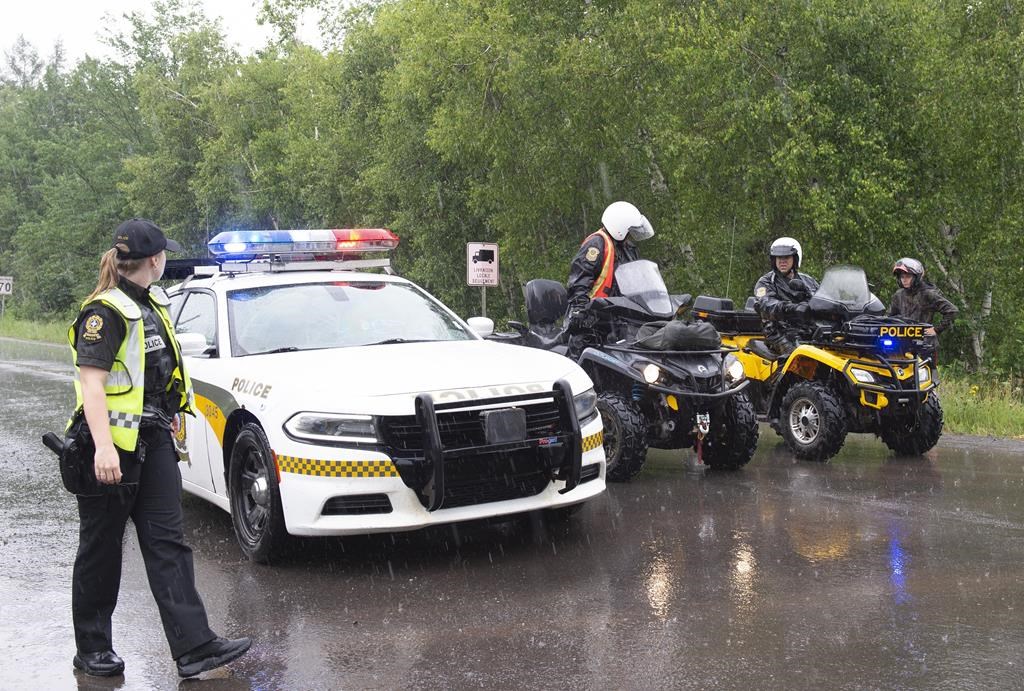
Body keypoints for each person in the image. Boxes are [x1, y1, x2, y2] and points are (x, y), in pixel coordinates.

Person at [68, 218, 251, 678]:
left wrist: (168, 411)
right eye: (164, 253)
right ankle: (92, 650)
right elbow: (92, 383)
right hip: (109, 450)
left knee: (168, 544)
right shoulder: (103, 312)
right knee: (102, 549)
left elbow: (152, 373)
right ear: (154, 260)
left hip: (153, 443)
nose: (166, 257)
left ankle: (194, 648)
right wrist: (105, 449)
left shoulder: (153, 304)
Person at [565, 201, 654, 357]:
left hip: (620, 316)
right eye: (629, 231)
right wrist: (582, 310)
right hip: (594, 317)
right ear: (619, 227)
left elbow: (639, 279)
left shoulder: (628, 249)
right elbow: (579, 280)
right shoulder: (597, 244)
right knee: (585, 360)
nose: (631, 235)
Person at [753, 236, 820, 356]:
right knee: (800, 358)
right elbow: (765, 303)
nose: (782, 261)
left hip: (808, 331)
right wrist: (790, 308)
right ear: (774, 260)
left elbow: (823, 299)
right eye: (779, 257)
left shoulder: (808, 281)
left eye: (786, 257)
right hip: (779, 332)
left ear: (795, 259)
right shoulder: (765, 282)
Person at [887, 257, 958, 364]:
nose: (904, 279)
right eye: (902, 276)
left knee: (926, 378)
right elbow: (889, 317)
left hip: (925, 345)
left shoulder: (928, 293)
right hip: (903, 344)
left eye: (908, 276)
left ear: (916, 277)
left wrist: (936, 329)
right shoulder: (898, 295)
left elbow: (952, 311)